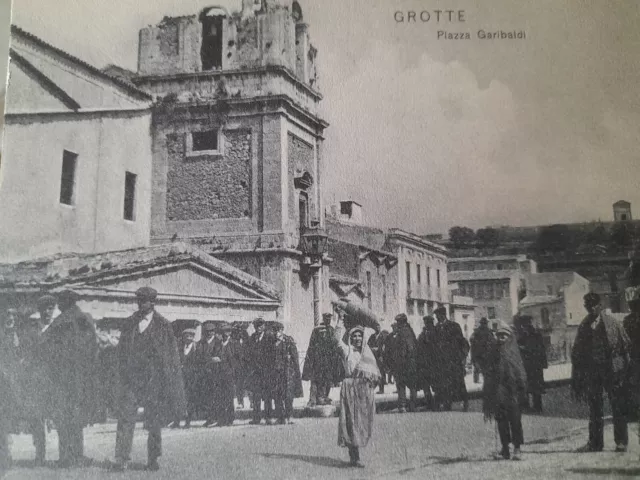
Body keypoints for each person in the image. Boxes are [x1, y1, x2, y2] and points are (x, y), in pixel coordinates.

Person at [114, 287, 186, 471]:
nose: (140, 303)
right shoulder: (130, 323)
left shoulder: (164, 326)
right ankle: (122, 458)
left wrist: (170, 383)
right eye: (138, 300)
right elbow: (121, 352)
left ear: (152, 303)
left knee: (154, 421)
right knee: (125, 417)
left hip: (154, 381)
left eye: (144, 300)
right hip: (131, 380)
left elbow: (171, 357)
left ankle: (153, 458)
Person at [41, 290, 99, 467]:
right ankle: (76, 456)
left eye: (60, 302)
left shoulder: (61, 322)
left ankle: (67, 457)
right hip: (80, 378)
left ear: (66, 302)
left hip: (63, 379)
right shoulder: (85, 319)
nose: (58, 305)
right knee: (76, 419)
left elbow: (47, 348)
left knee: (64, 418)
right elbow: (93, 350)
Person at [571, 292, 631, 453]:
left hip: (612, 371)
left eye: (593, 306)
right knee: (595, 407)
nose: (590, 309)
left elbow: (625, 346)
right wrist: (579, 373)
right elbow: (577, 352)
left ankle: (621, 442)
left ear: (600, 306)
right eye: (587, 307)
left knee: (617, 406)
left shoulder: (612, 323)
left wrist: (622, 369)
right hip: (593, 373)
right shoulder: (583, 326)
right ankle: (596, 443)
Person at [334, 308, 381, 468]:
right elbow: (336, 340)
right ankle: (354, 456)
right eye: (354, 336)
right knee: (350, 423)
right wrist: (340, 319)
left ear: (363, 338)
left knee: (362, 423)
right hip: (350, 390)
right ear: (350, 339)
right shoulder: (347, 351)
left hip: (364, 392)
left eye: (359, 336)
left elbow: (374, 375)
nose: (357, 338)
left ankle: (356, 453)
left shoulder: (367, 354)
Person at [17, 295, 57, 466]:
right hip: (36, 380)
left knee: (58, 416)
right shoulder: (32, 330)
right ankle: (40, 454)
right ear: (40, 311)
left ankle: (66, 456)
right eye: (45, 309)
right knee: (37, 418)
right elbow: (26, 353)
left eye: (51, 308)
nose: (48, 312)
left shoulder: (58, 329)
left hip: (55, 380)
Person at [482, 322, 527, 460]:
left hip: (513, 393)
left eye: (504, 335)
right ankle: (505, 448)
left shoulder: (514, 352)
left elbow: (520, 372)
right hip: (499, 393)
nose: (501, 338)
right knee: (501, 421)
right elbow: (489, 371)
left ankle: (517, 448)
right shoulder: (493, 351)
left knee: (515, 421)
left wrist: (521, 390)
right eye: (499, 335)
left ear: (509, 337)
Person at [433, 306, 470, 411]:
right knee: (444, 383)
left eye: (438, 316)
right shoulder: (436, 329)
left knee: (459, 382)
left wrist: (461, 358)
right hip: (441, 362)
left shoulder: (454, 326)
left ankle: (465, 401)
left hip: (453, 361)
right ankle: (447, 403)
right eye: (436, 316)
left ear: (443, 315)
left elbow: (461, 342)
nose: (437, 318)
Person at [302, 313, 341, 406]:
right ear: (323, 318)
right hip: (318, 359)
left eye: (329, 318)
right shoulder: (317, 329)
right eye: (326, 318)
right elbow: (312, 344)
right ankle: (314, 399)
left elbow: (334, 343)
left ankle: (324, 396)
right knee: (316, 379)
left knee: (328, 379)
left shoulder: (331, 329)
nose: (328, 320)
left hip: (329, 359)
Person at [271, 322, 303, 424]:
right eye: (275, 330)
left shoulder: (288, 341)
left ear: (282, 330)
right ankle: (280, 417)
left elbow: (295, 358)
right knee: (277, 395)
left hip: (287, 373)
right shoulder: (271, 342)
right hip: (276, 373)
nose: (276, 333)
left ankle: (289, 416)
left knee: (288, 395)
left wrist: (296, 372)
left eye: (278, 330)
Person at [170, 328, 202, 429]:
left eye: (190, 337)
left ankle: (188, 421)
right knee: (179, 399)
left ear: (193, 338)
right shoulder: (180, 348)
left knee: (190, 400)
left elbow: (199, 364)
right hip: (181, 378)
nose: (188, 339)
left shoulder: (197, 348)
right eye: (186, 337)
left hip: (192, 378)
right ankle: (177, 421)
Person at [516, 315, 547, 413]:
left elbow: (537, 349)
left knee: (533, 386)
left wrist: (523, 348)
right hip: (531, 365)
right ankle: (531, 406)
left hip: (532, 364)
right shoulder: (526, 335)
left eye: (525, 324)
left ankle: (534, 406)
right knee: (530, 385)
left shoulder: (533, 335)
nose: (524, 326)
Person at [387, 313, 418, 413]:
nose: (398, 323)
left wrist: (403, 360)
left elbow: (408, 348)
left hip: (406, 363)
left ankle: (406, 405)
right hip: (404, 363)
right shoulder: (408, 331)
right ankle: (408, 405)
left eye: (399, 322)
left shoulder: (405, 332)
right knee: (405, 385)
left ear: (402, 322)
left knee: (406, 385)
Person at [247, 318, 275, 425]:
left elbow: (272, 355)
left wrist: (270, 369)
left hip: (266, 371)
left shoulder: (269, 338)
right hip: (255, 372)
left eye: (260, 326)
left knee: (267, 395)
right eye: (256, 326)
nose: (258, 328)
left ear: (264, 326)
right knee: (256, 396)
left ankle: (268, 417)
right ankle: (256, 418)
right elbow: (248, 353)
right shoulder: (252, 338)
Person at [212, 323, 240, 427]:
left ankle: (230, 418)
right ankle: (221, 419)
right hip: (219, 373)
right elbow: (213, 354)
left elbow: (238, 359)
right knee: (220, 396)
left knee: (229, 396)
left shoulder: (234, 344)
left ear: (230, 333)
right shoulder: (218, 344)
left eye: (228, 331)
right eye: (223, 332)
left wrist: (227, 363)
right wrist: (214, 359)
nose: (225, 334)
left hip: (229, 373)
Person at [200, 322, 220, 427]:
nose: (209, 333)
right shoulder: (201, 343)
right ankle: (209, 418)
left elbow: (220, 357)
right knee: (206, 397)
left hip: (216, 373)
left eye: (211, 331)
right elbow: (199, 356)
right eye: (207, 331)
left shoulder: (218, 342)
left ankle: (215, 418)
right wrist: (211, 359)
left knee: (215, 396)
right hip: (204, 373)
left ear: (214, 332)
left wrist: (212, 360)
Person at [417, 316, 438, 410]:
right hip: (424, 363)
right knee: (425, 384)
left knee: (436, 384)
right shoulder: (423, 333)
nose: (426, 324)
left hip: (434, 362)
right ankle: (429, 402)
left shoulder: (436, 332)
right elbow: (418, 344)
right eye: (425, 323)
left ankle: (437, 403)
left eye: (428, 323)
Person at [470, 317, 495, 384]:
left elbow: (472, 340)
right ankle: (480, 380)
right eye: (484, 323)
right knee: (481, 367)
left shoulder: (477, 331)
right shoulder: (486, 331)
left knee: (479, 367)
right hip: (482, 352)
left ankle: (478, 380)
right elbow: (492, 341)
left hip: (480, 352)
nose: (484, 324)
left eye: (484, 323)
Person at [231, 322, 251, 409]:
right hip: (238, 366)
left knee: (250, 384)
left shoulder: (248, 341)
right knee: (239, 385)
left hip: (247, 365)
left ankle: (252, 401)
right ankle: (240, 402)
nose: (239, 333)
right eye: (237, 331)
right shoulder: (234, 342)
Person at [368, 328, 389, 394]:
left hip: (380, 357)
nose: (377, 329)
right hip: (373, 357)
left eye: (378, 327)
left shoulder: (382, 336)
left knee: (381, 373)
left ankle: (381, 389)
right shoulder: (372, 336)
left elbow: (384, 346)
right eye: (376, 327)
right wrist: (372, 349)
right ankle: (371, 388)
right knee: (373, 373)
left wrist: (380, 352)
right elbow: (368, 344)